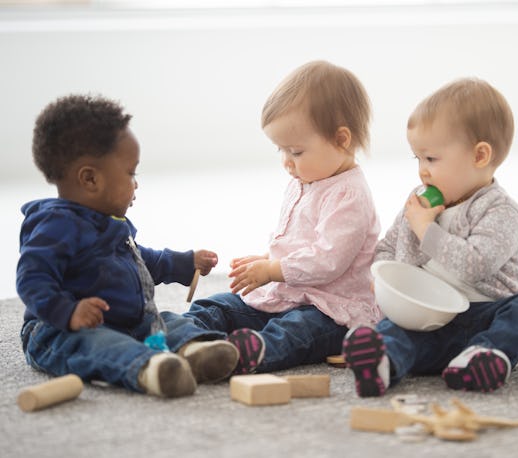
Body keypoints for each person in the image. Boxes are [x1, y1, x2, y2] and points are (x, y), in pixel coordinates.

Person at [342, 77, 518, 397]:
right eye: (417, 158)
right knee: (394, 329)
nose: (422, 170)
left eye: (431, 159)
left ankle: (484, 357)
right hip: (432, 320)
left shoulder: (500, 210)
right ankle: (381, 363)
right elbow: (389, 246)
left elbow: (475, 264)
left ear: (479, 156)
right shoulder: (419, 201)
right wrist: (381, 274)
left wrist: (424, 229)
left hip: (487, 316)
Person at [17, 94, 240, 398]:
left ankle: (194, 351)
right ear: (90, 179)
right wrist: (68, 312)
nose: (136, 183)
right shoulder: (55, 225)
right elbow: (31, 279)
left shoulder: (109, 223)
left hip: (126, 322)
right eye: (131, 172)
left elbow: (140, 260)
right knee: (97, 345)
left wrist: (184, 263)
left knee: (169, 322)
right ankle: (149, 369)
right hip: (59, 330)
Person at [185, 60, 382, 373]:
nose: (286, 162)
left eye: (296, 151)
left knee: (296, 331)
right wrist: (267, 258)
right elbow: (299, 241)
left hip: (329, 310)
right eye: (281, 150)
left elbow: (327, 260)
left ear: (341, 140)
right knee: (220, 305)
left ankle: (241, 354)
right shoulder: (305, 180)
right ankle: (186, 339)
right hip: (286, 295)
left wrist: (273, 269)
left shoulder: (349, 195)